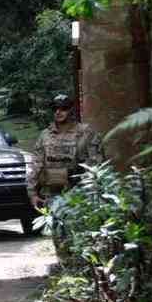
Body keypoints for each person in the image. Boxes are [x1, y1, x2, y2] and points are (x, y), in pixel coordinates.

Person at [26, 94, 104, 259]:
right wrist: (32, 192)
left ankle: (82, 266)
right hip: (53, 192)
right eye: (55, 108)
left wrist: (92, 191)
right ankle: (65, 264)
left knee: (81, 231)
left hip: (79, 193)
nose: (59, 112)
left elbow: (96, 164)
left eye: (63, 108)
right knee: (58, 232)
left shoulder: (86, 133)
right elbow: (36, 165)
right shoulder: (45, 136)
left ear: (71, 110)